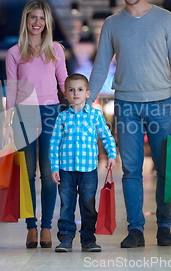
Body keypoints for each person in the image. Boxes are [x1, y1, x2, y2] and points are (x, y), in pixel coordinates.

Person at [87, 0, 171, 248]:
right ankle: (135, 229)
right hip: (126, 104)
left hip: (160, 103)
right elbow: (99, 67)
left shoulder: (165, 18)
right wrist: (84, 102)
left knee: (165, 169)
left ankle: (165, 226)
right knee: (130, 170)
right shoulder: (112, 24)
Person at [4, 0, 68, 248]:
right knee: (27, 174)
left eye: (42, 18)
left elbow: (63, 81)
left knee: (50, 175)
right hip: (24, 114)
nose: (37, 23)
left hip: (51, 112)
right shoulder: (14, 53)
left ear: (47, 22)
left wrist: (77, 105)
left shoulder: (55, 50)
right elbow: (12, 87)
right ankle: (31, 227)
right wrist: (8, 120)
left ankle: (46, 228)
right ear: (26, 20)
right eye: (33, 18)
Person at [50, 74, 117, 252]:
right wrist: (54, 167)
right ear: (65, 94)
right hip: (65, 170)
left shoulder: (95, 115)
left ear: (87, 93)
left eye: (80, 89)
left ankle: (88, 239)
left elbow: (106, 136)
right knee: (66, 205)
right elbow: (54, 143)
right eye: (71, 90)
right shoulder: (62, 118)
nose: (76, 93)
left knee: (88, 204)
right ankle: (65, 238)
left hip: (88, 170)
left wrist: (112, 154)